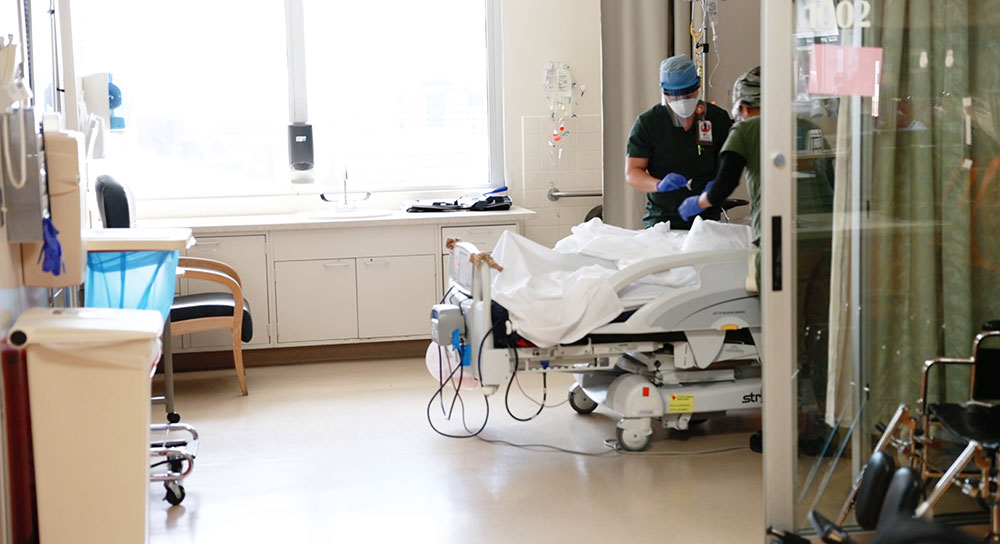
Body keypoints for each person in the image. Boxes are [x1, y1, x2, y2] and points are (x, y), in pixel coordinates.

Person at [672, 66, 836, 455]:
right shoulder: (804, 125)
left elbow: (724, 183)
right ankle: (823, 427)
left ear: (744, 105)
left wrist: (698, 203)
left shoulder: (745, 130)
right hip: (825, 238)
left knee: (784, 338)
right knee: (820, 335)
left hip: (783, 243)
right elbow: (830, 178)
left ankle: (784, 430)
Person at [625, 54, 733, 229]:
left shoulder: (717, 119)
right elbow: (632, 172)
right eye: (675, 96)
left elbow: (727, 166)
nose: (682, 101)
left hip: (706, 220)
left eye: (687, 94)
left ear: (698, 87)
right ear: (664, 92)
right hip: (662, 221)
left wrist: (715, 188)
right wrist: (658, 185)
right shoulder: (649, 123)